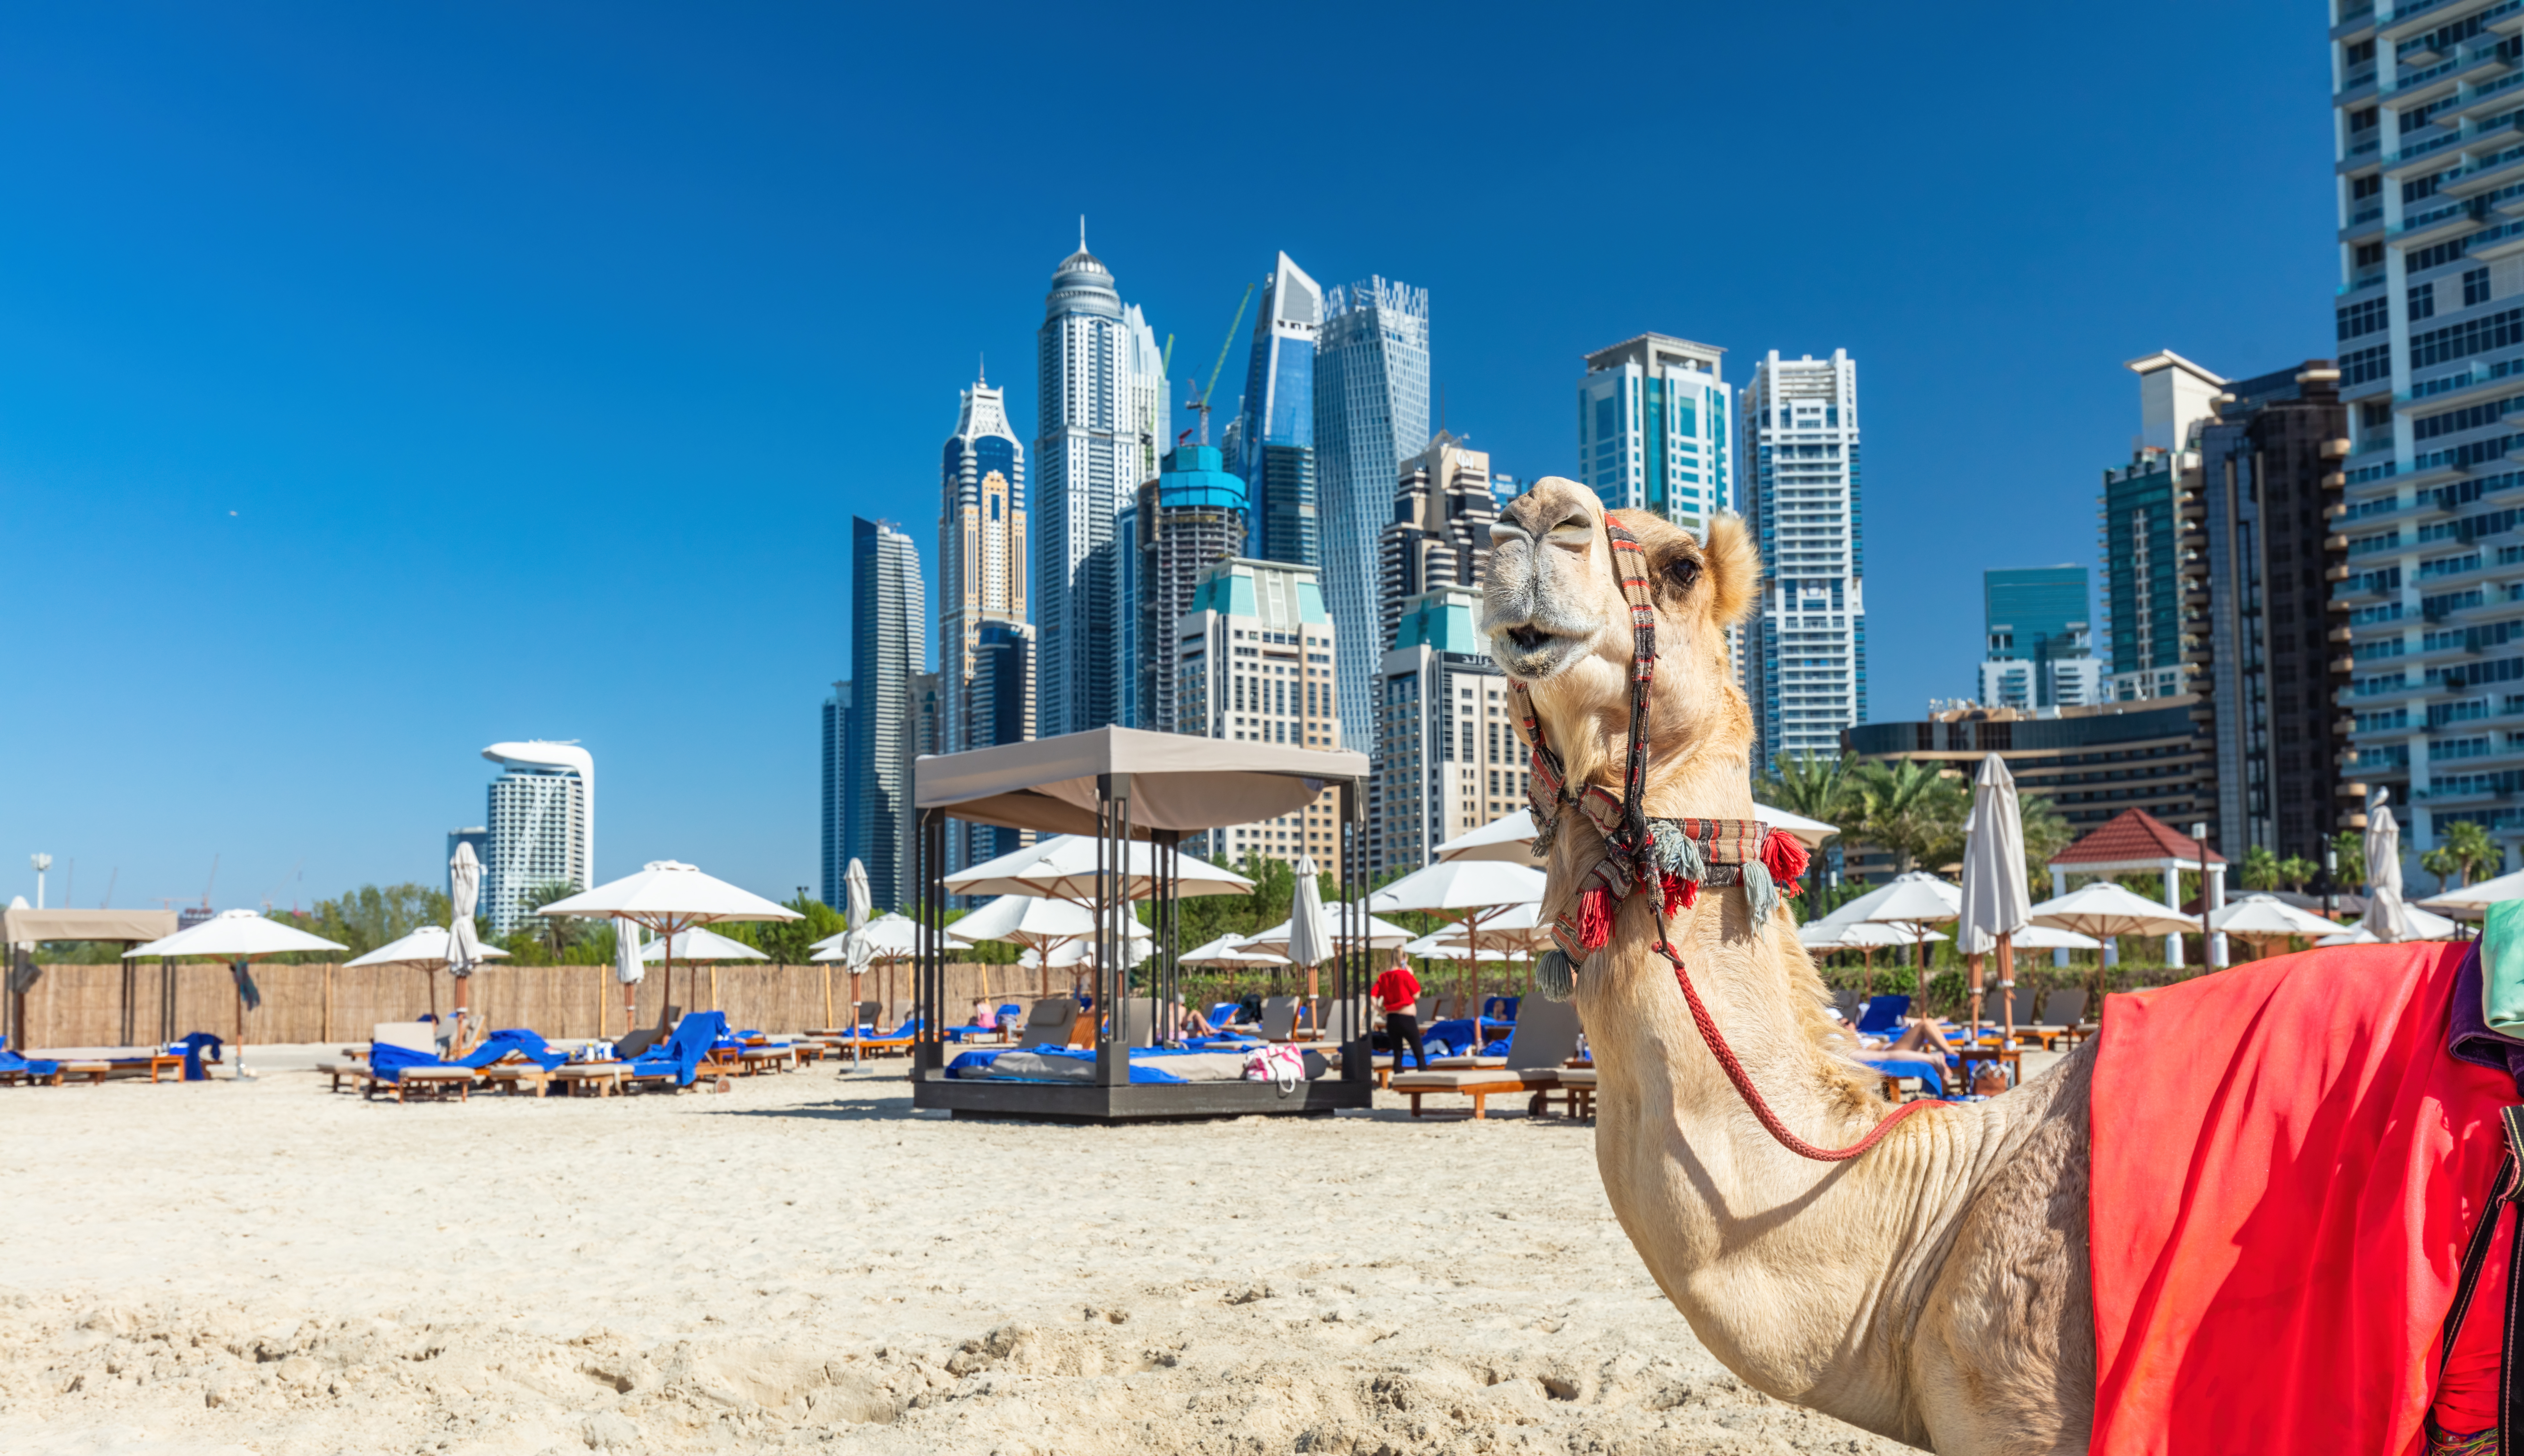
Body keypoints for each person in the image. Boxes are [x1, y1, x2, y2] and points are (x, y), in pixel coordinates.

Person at [1372, 960, 1425, 1073]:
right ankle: (1424, 1076)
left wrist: (1381, 1012)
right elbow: (1416, 994)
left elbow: (1372, 997)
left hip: (1392, 1019)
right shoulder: (1405, 975)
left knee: (1398, 1053)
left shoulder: (1383, 977)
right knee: (1419, 1052)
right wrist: (1411, 975)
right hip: (1407, 1018)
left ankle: (1398, 1078)